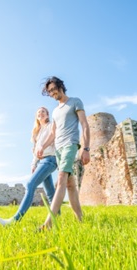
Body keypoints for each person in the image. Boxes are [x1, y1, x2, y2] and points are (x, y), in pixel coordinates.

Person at [36, 76, 90, 230]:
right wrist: (42, 146)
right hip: (58, 149)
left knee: (60, 180)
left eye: (54, 89)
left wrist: (86, 148)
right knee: (70, 185)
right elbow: (52, 133)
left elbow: (85, 125)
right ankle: (80, 221)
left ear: (60, 87)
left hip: (70, 145)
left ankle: (48, 224)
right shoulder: (54, 112)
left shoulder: (75, 102)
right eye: (49, 91)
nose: (52, 93)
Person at [0, 107, 57, 226]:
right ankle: (57, 219)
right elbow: (35, 151)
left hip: (50, 159)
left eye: (43, 112)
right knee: (50, 193)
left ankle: (15, 220)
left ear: (47, 114)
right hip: (41, 162)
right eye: (38, 112)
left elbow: (54, 138)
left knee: (30, 184)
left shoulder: (51, 126)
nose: (40, 113)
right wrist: (34, 164)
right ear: (36, 116)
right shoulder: (36, 132)